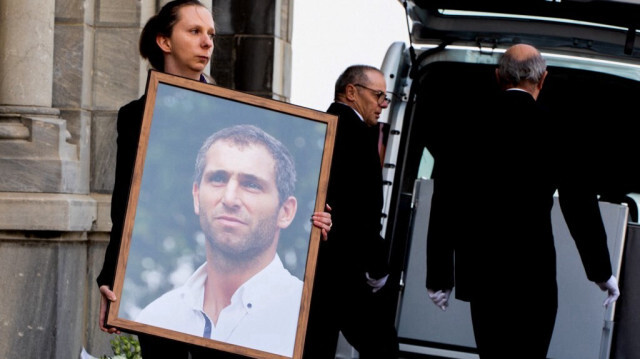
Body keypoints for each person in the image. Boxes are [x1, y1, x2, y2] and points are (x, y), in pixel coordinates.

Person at [96, 1, 331, 357]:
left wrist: (318, 216)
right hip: (169, 287)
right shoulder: (135, 117)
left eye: (211, 34)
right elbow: (125, 203)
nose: (207, 43)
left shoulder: (238, 112)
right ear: (164, 41)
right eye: (194, 32)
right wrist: (112, 281)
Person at [425, 43, 620, 359]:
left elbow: (446, 200)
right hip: (534, 275)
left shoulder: (466, 127)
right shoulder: (558, 129)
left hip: (484, 275)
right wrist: (601, 272)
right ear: (543, 80)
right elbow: (579, 204)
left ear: (498, 76)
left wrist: (439, 275)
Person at [135, 125, 307, 357]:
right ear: (196, 197)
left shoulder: (304, 316)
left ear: (285, 211)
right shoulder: (157, 317)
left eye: (251, 184)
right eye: (218, 179)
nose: (229, 198)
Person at [303, 65, 400, 359]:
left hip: (317, 265)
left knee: (318, 345)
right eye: (379, 95)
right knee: (383, 347)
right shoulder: (356, 133)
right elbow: (364, 211)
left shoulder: (318, 125)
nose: (384, 104)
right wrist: (378, 265)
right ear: (351, 92)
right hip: (345, 268)